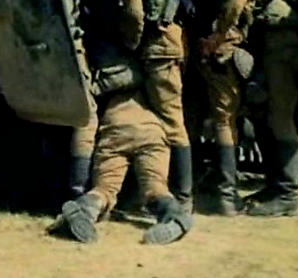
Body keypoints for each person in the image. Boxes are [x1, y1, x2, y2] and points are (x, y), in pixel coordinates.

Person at [94, 0, 194, 213]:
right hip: (173, 37)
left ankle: (182, 198)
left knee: (170, 120)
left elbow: (133, 11)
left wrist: (130, 44)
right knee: (164, 116)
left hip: (155, 45)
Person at [49, 87, 193, 245]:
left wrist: (77, 188)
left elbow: (87, 126)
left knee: (104, 189)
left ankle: (85, 210)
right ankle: (174, 216)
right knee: (156, 188)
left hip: (114, 128)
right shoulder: (156, 87)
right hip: (151, 131)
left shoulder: (107, 85)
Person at [190, 0, 257, 216]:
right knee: (224, 118)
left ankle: (185, 185)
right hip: (221, 43)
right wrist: (219, 33)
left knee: (188, 115)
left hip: (190, 40)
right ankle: (226, 197)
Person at [243, 0, 298, 217]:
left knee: (281, 120)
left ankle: (288, 195)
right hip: (271, 49)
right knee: (264, 118)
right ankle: (274, 186)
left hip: (282, 50)